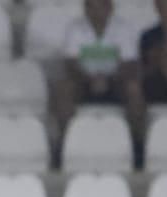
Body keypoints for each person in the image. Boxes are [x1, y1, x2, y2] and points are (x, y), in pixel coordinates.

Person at [57, 0, 145, 132]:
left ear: (110, 8)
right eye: (91, 7)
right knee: (64, 89)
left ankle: (136, 142)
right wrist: (90, 79)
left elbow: (130, 65)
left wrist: (109, 79)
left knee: (134, 89)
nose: (96, 13)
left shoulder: (123, 27)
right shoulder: (75, 28)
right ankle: (65, 141)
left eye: (100, 7)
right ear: (85, 9)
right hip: (84, 82)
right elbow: (70, 64)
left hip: (115, 82)